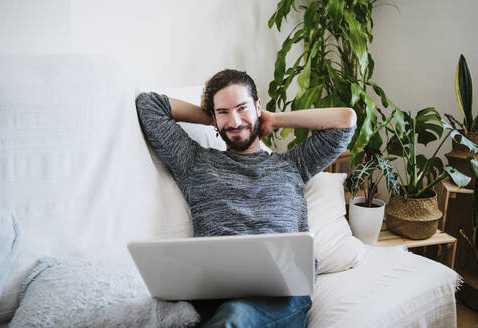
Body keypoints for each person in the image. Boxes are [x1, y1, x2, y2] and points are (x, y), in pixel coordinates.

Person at [136, 69, 356, 327]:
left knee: (236, 319)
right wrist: (213, 118)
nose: (235, 121)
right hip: (216, 294)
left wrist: (273, 119)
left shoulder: (293, 166)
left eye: (242, 108)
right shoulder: (196, 163)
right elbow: (148, 105)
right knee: (232, 315)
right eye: (224, 112)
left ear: (257, 106)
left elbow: (345, 120)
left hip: (281, 295)